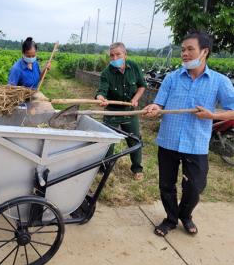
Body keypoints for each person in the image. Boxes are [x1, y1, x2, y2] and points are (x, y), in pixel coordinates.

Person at [143, 31, 234, 236]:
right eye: (183, 49)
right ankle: (170, 219)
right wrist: (154, 108)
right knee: (166, 184)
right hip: (169, 140)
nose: (184, 53)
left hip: (196, 143)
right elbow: (159, 103)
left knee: (195, 187)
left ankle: (186, 215)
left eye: (190, 49)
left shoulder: (219, 81)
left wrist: (212, 115)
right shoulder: (171, 78)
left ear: (204, 52)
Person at [96, 42, 147, 180]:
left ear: (125, 54)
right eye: (111, 55)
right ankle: (105, 167)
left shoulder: (134, 67)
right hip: (112, 112)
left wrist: (135, 99)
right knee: (108, 141)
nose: (114, 58)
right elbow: (101, 92)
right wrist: (101, 98)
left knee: (134, 139)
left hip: (129, 112)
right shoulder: (107, 73)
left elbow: (142, 86)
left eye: (118, 54)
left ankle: (137, 168)